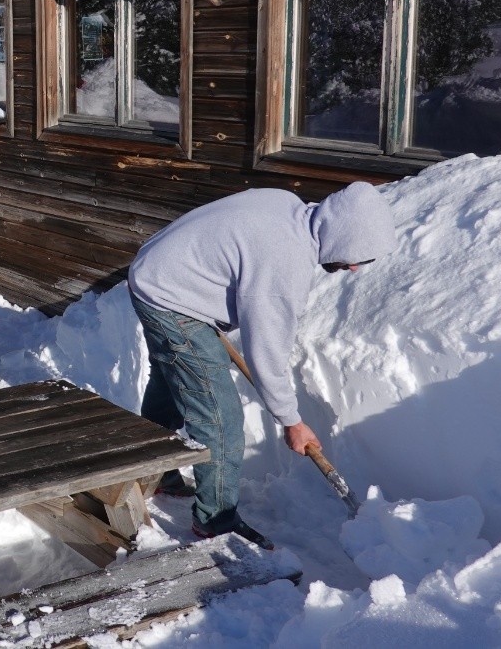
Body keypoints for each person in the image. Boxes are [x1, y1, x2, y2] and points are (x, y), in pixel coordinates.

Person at [128, 182, 396, 549]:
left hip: (158, 272)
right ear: (345, 238)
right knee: (220, 419)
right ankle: (215, 521)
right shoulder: (284, 261)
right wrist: (291, 421)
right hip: (170, 296)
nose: (352, 269)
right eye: (357, 258)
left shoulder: (290, 206)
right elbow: (266, 352)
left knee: (175, 381)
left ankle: (153, 469)